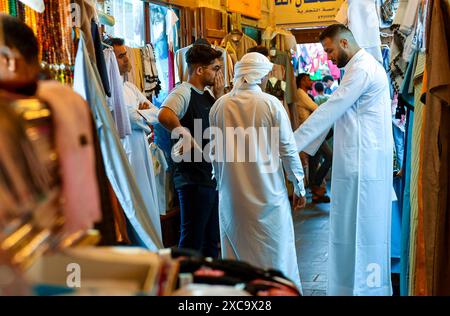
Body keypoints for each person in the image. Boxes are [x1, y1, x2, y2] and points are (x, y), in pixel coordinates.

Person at [294, 24, 393, 296]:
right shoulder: (358, 68)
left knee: (364, 231)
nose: (328, 57)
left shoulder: (361, 69)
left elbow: (330, 110)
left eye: (329, 50)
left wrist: (290, 145)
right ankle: (351, 287)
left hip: (364, 163)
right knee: (350, 230)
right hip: (359, 160)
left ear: (345, 43)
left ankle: (366, 289)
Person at [209, 52, 306, 290]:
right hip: (268, 195)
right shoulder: (270, 104)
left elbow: (214, 153)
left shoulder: (219, 105)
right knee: (275, 253)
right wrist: (299, 185)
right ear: (260, 76)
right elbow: (288, 149)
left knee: (236, 257)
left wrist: (219, 182)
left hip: (232, 199)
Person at [158, 44, 224, 258]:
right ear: (199, 70)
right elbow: (165, 114)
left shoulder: (206, 94)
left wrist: (220, 94)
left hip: (209, 176)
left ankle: (207, 284)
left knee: (211, 239)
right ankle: (182, 285)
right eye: (214, 68)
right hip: (193, 178)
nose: (218, 74)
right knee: (192, 241)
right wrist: (183, 134)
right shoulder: (183, 91)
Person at [107, 37, 163, 244]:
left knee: (149, 202)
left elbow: (156, 113)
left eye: (125, 54)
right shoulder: (110, 93)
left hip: (141, 150)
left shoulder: (130, 87)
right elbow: (127, 117)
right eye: (121, 56)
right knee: (135, 203)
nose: (126, 59)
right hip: (127, 151)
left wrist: (139, 114)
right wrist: (140, 114)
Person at [296, 73, 332, 203]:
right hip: (311, 133)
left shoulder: (304, 94)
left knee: (314, 160)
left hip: (312, 132)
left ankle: (316, 192)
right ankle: (315, 184)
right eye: (308, 80)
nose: (311, 82)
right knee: (329, 157)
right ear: (301, 81)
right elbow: (315, 108)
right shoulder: (300, 93)